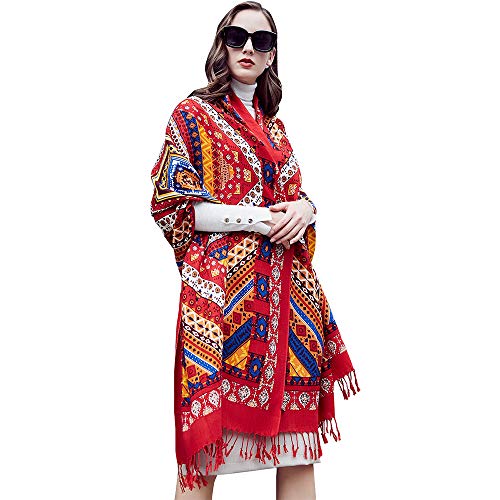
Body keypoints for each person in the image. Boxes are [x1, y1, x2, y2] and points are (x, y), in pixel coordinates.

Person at [149, 2, 360, 498]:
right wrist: (261, 219)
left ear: (272, 55)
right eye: (238, 37)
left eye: (261, 41)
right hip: (222, 304)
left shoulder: (276, 128)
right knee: (206, 454)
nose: (248, 47)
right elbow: (173, 204)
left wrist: (308, 208)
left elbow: (294, 198)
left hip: (292, 308)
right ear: (222, 44)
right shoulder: (193, 116)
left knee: (298, 453)